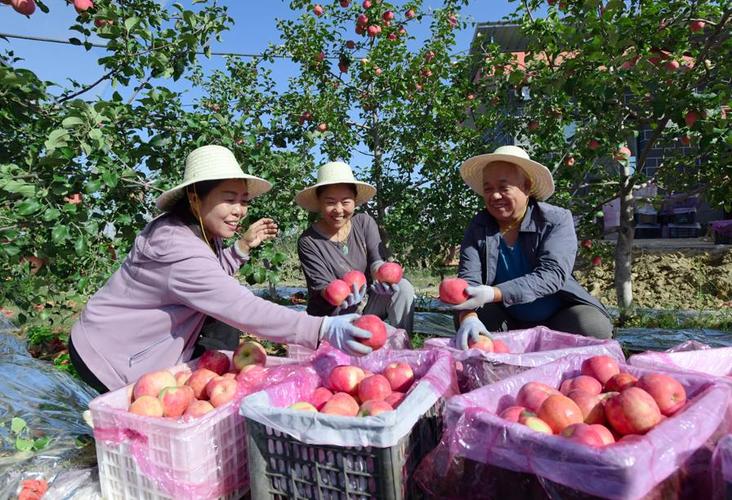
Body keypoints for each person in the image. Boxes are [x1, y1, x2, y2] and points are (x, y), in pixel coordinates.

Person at [68, 145, 373, 393]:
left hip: (132, 341)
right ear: (195, 198)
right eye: (229, 200)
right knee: (226, 320)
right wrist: (321, 328)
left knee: (221, 324)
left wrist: (241, 248)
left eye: (244, 200)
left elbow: (206, 278)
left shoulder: (194, 231)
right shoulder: (175, 246)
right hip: (109, 354)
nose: (239, 210)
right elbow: (237, 305)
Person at [450, 145, 613, 350]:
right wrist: (469, 317)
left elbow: (552, 275)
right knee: (471, 323)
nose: (495, 196)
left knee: (592, 326)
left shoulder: (555, 220)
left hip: (557, 317)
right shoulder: (479, 226)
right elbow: (468, 279)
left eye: (504, 187)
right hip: (505, 318)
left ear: (526, 187)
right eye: (488, 188)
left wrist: (493, 293)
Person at [295, 161, 415, 333]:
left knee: (403, 287)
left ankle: (403, 347)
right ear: (319, 203)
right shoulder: (308, 241)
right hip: (332, 317)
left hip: (365, 306)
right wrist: (341, 295)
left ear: (354, 201)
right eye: (330, 202)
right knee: (373, 334)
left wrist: (383, 275)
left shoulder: (364, 223)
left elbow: (376, 261)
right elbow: (321, 287)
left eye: (345, 202)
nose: (338, 210)